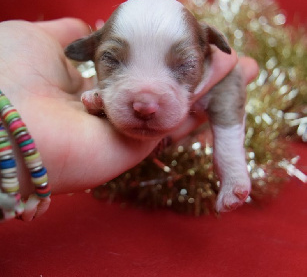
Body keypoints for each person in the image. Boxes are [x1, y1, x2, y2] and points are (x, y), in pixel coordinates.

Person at [0, 17, 258, 205]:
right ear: (89, 50)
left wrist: (232, 165)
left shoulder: (214, 69)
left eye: (185, 64)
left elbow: (229, 90)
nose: (145, 105)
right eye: (113, 59)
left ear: (208, 49)